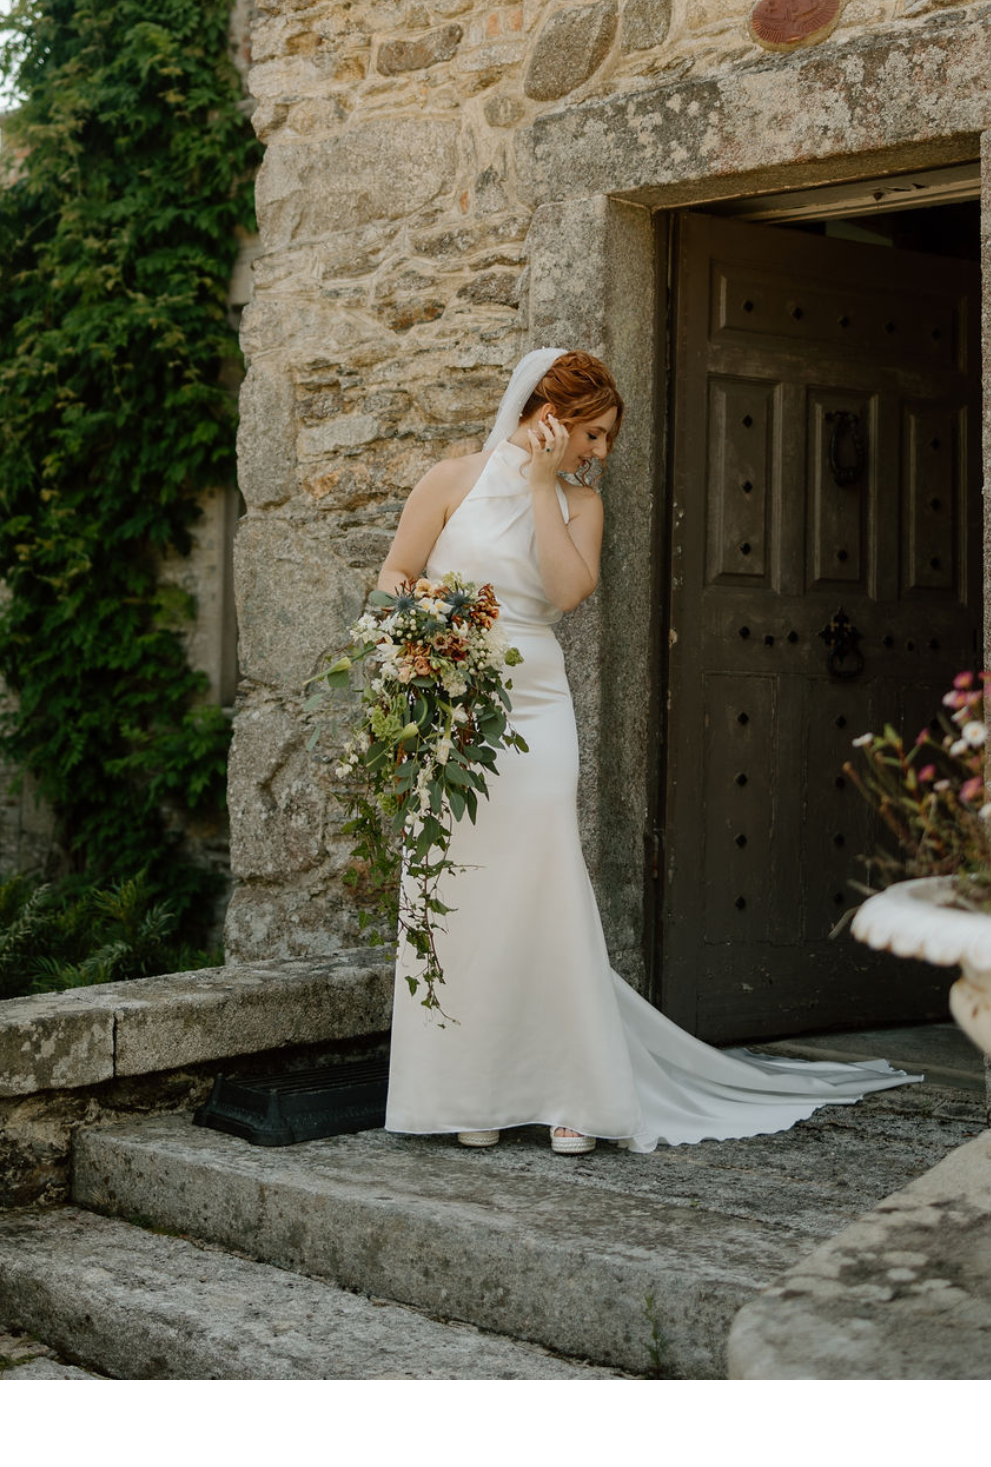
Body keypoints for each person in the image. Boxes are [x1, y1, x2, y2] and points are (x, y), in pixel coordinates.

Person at [380, 346, 914, 1154]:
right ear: (546, 415)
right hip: (449, 718)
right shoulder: (448, 482)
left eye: (604, 440)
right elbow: (396, 572)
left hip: (534, 713)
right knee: (455, 892)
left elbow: (566, 593)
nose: (598, 453)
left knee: (545, 884)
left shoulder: (579, 506)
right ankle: (472, 1089)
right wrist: (410, 651)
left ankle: (572, 1090)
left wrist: (539, 486)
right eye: (591, 434)